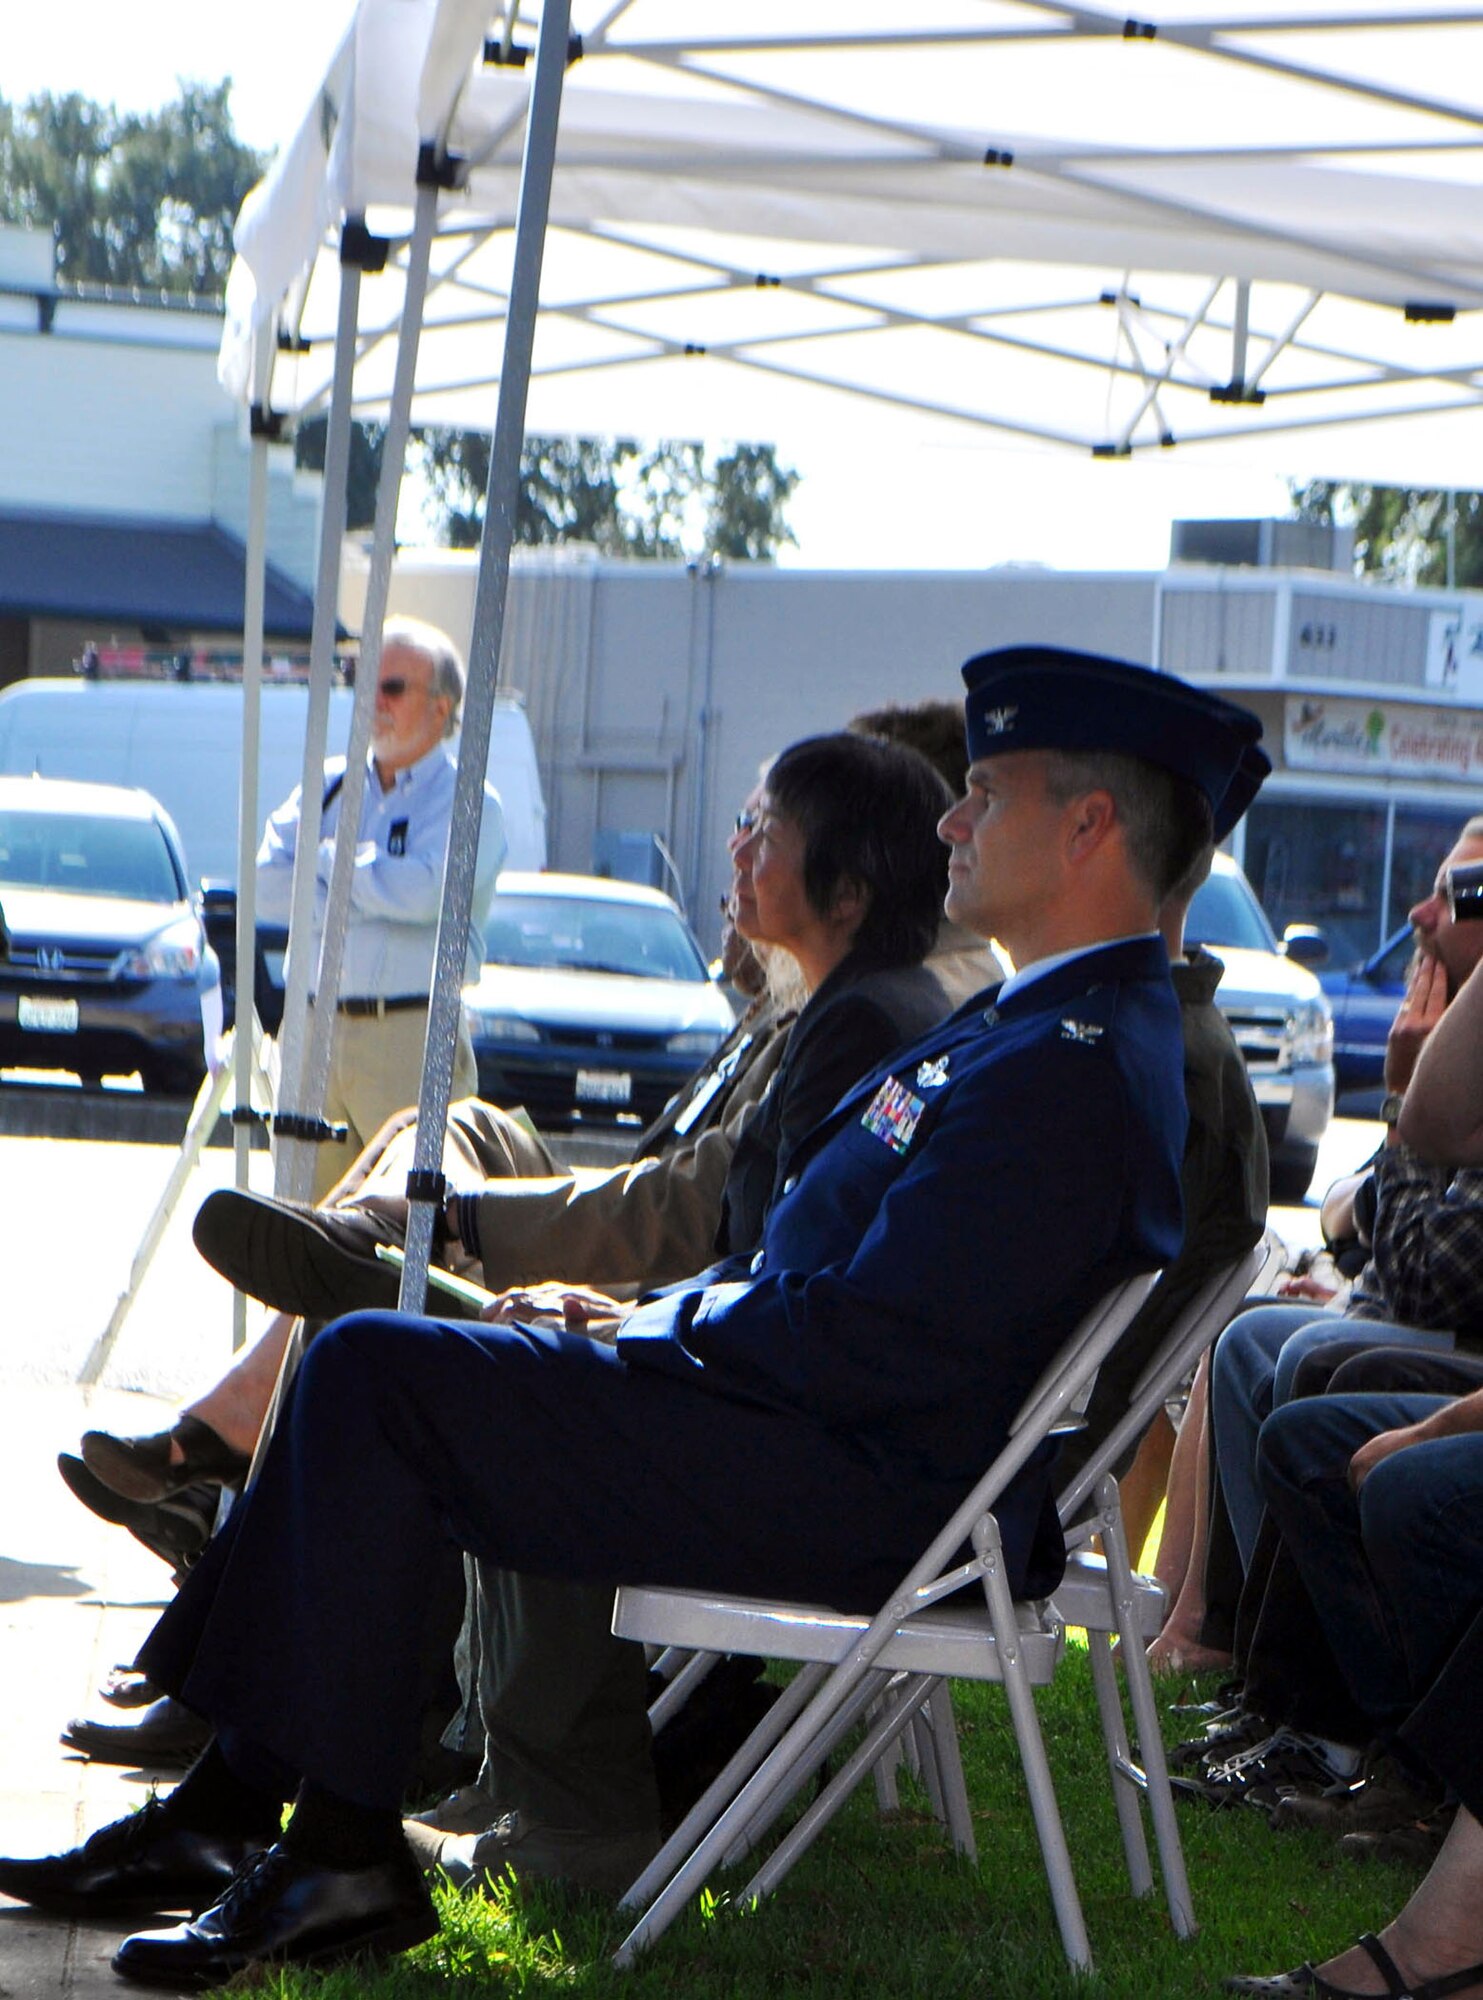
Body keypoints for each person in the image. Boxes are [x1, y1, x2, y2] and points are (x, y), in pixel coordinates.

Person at [0, 645, 1260, 1988]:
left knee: (377, 1364)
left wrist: (636, 1337)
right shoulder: (1037, 1027)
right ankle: (258, 1825)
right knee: (381, 1355)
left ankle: (322, 1843)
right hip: (820, 1434)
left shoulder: (1072, 1066)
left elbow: (877, 1344)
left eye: (984, 792)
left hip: (861, 1489)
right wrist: (645, 1313)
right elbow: (822, 1275)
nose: (949, 819)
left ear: (1087, 827)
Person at [1208, 817, 1483, 1574]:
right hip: (1407, 1308)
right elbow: (1347, 1213)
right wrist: (1370, 1208)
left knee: (1305, 1349)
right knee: (1249, 1333)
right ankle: (1194, 1626)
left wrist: (1399, 1106)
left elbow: (1425, 1275)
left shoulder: (1449, 1060)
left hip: (1450, 1342)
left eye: (1455, 896)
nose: (1417, 916)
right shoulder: (1440, 1048)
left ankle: (1265, 1666)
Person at [259, 615, 506, 1201]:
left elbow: (425, 895)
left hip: (409, 1034)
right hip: (311, 1028)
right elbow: (267, 888)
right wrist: (370, 882)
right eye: (362, 680)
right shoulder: (325, 787)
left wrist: (323, 866)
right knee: (298, 1222)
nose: (372, 700)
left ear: (441, 708)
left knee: (419, 1226)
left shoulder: (470, 799)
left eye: (391, 687)